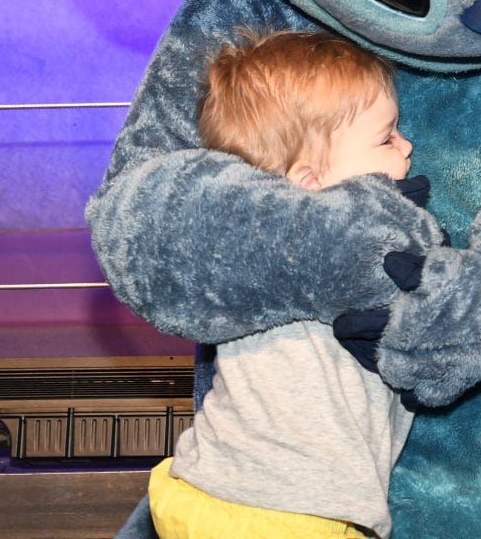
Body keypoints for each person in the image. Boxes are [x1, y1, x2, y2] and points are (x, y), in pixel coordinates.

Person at [147, 29, 432, 539]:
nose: (407, 145)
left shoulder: (256, 248)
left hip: (218, 491)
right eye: (386, 137)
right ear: (310, 181)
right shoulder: (330, 246)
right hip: (281, 511)